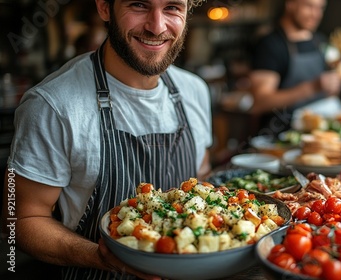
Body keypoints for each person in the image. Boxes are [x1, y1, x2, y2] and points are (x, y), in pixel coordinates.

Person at [1, 0, 211, 279]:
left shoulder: (194, 91)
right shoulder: (53, 105)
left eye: (172, 7)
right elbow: (20, 219)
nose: (157, 26)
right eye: (139, 5)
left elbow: (202, 175)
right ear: (104, 8)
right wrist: (103, 258)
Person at [248, 0, 341, 136]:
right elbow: (260, 102)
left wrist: (335, 85)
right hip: (281, 136)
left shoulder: (320, 41)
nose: (316, 14)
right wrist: (312, 88)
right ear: (290, 4)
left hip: (319, 133)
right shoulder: (270, 45)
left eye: (320, 8)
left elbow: (329, 91)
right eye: (309, 6)